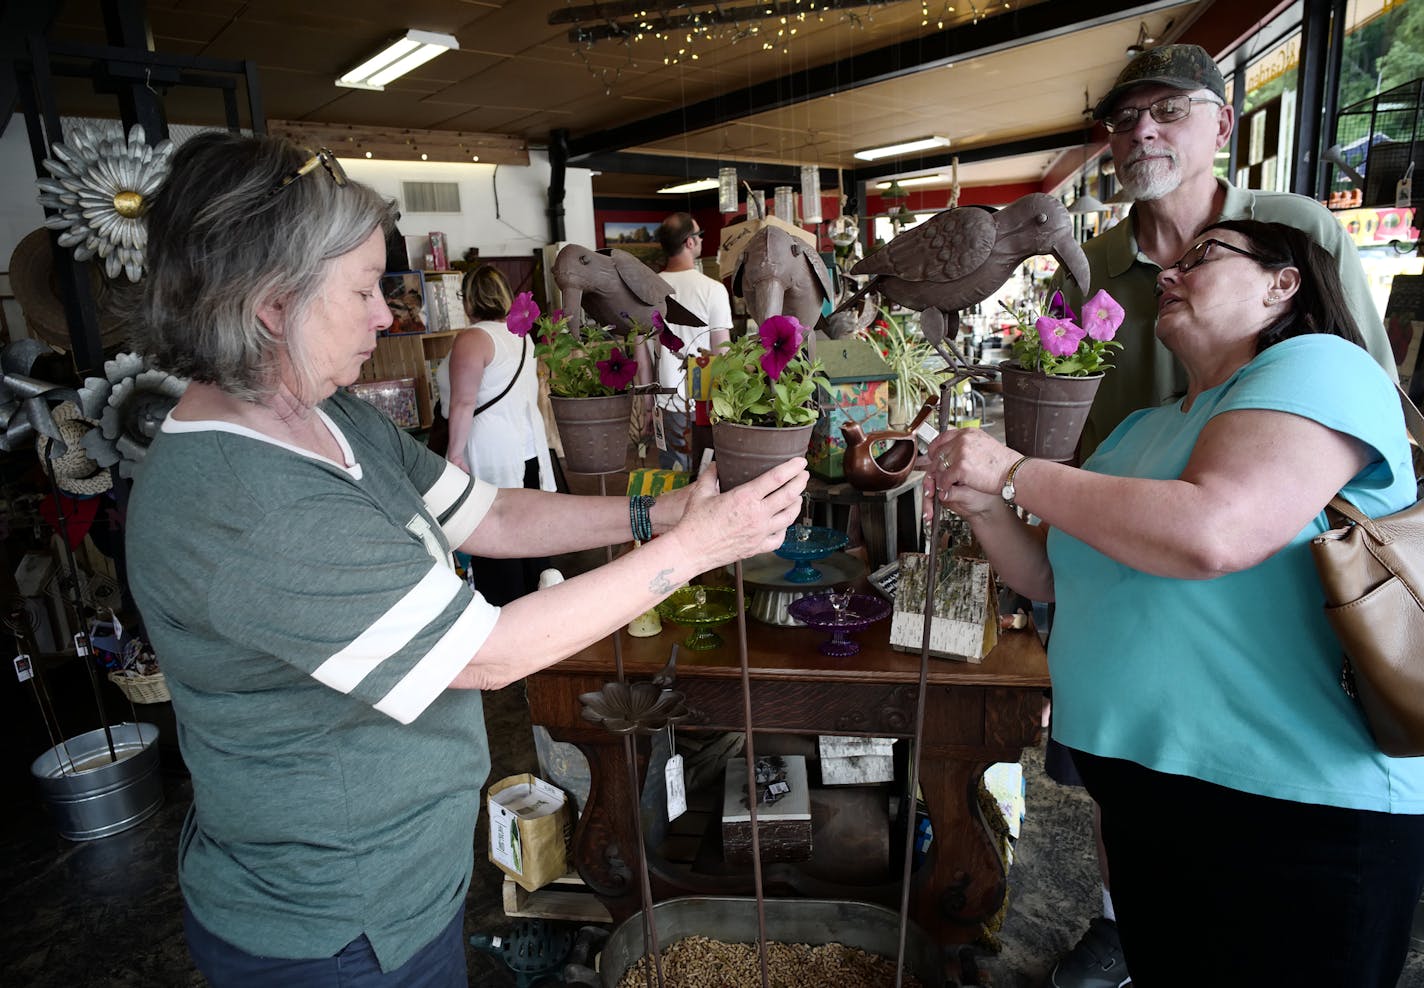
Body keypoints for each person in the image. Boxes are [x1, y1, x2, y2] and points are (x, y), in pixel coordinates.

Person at [122, 133, 807, 987]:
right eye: (365, 289)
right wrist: (695, 548)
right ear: (272, 307)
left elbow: (485, 512)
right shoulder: (244, 504)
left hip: (404, 880)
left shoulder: (325, 413)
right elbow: (487, 655)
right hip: (334, 927)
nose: (387, 313)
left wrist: (656, 509)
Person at [927, 219, 1424, 987]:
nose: (1167, 275)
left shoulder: (1320, 366)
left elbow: (1214, 532)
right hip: (1147, 799)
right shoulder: (1141, 428)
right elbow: (1054, 577)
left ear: (1281, 283)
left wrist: (1015, 471)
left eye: (1202, 259)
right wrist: (985, 506)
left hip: (1289, 808)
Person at [1048, 44, 1400, 987]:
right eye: (1124, 119)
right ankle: (1121, 917)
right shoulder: (1100, 272)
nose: (1141, 132)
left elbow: (1359, 391)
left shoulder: (1291, 232)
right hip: (1134, 583)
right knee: (1126, 794)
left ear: (1222, 127)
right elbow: (1082, 436)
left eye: (1167, 110)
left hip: (1276, 621)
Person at [436, 264, 554, 604]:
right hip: (528, 449)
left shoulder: (473, 338)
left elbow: (462, 402)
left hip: (489, 453)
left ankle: (507, 617)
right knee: (531, 533)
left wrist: (454, 455)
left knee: (496, 536)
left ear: (469, 299)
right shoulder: (520, 336)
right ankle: (542, 612)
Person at [640, 212, 732, 470]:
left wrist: (647, 408)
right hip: (707, 403)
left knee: (672, 476)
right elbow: (722, 353)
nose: (701, 240)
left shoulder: (645, 292)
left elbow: (642, 358)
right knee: (706, 476)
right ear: (689, 242)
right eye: (700, 235)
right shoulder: (712, 290)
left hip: (665, 401)